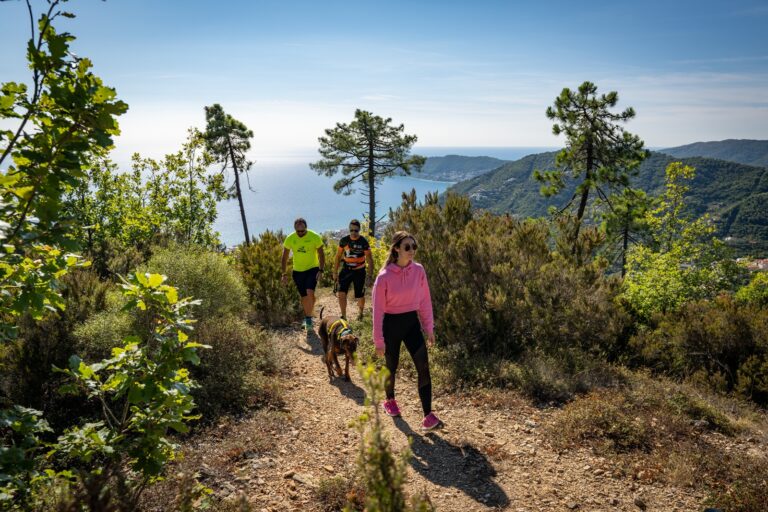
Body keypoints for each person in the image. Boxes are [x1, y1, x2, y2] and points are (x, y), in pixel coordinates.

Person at [372, 231, 442, 431]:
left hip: (411, 324)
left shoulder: (419, 270)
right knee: (391, 367)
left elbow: (425, 300)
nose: (412, 251)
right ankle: (390, 400)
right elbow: (377, 311)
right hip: (391, 326)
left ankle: (428, 415)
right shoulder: (384, 277)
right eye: (407, 247)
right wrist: (378, 340)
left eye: (414, 247)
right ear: (396, 249)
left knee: (423, 367)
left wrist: (429, 327)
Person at [281, 217, 325, 330]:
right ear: (295, 229)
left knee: (309, 293)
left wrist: (321, 270)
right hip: (297, 271)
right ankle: (308, 315)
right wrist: (284, 274)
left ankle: (308, 320)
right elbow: (284, 257)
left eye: (302, 231)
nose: (300, 233)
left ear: (306, 228)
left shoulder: (314, 236)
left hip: (312, 268)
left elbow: (321, 254)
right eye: (298, 231)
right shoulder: (290, 238)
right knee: (304, 297)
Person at [334, 219, 374, 321]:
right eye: (351, 230)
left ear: (359, 230)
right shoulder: (344, 240)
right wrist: (335, 272)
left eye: (356, 230)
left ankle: (360, 313)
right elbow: (338, 256)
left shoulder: (363, 242)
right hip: (346, 270)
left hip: (359, 271)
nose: (353, 232)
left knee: (360, 295)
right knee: (341, 293)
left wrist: (369, 276)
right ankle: (344, 316)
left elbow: (369, 259)